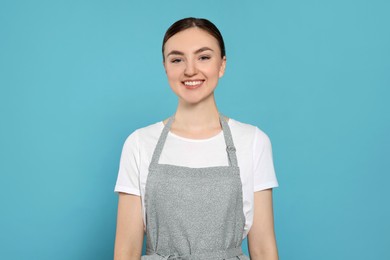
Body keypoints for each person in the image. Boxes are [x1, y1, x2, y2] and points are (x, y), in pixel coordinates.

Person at [114, 17, 279, 260]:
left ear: (222, 65)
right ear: (165, 67)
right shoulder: (138, 143)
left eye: (203, 57)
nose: (190, 70)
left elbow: (264, 248)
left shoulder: (254, 141)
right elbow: (126, 251)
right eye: (177, 59)